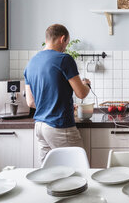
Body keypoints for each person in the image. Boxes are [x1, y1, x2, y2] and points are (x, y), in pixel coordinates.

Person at [25, 24, 91, 162]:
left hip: (40, 127)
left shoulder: (31, 63)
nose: (66, 47)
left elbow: (30, 102)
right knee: (78, 170)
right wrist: (87, 85)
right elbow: (81, 94)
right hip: (59, 126)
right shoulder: (64, 59)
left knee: (49, 173)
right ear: (63, 38)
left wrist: (55, 105)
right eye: (66, 43)